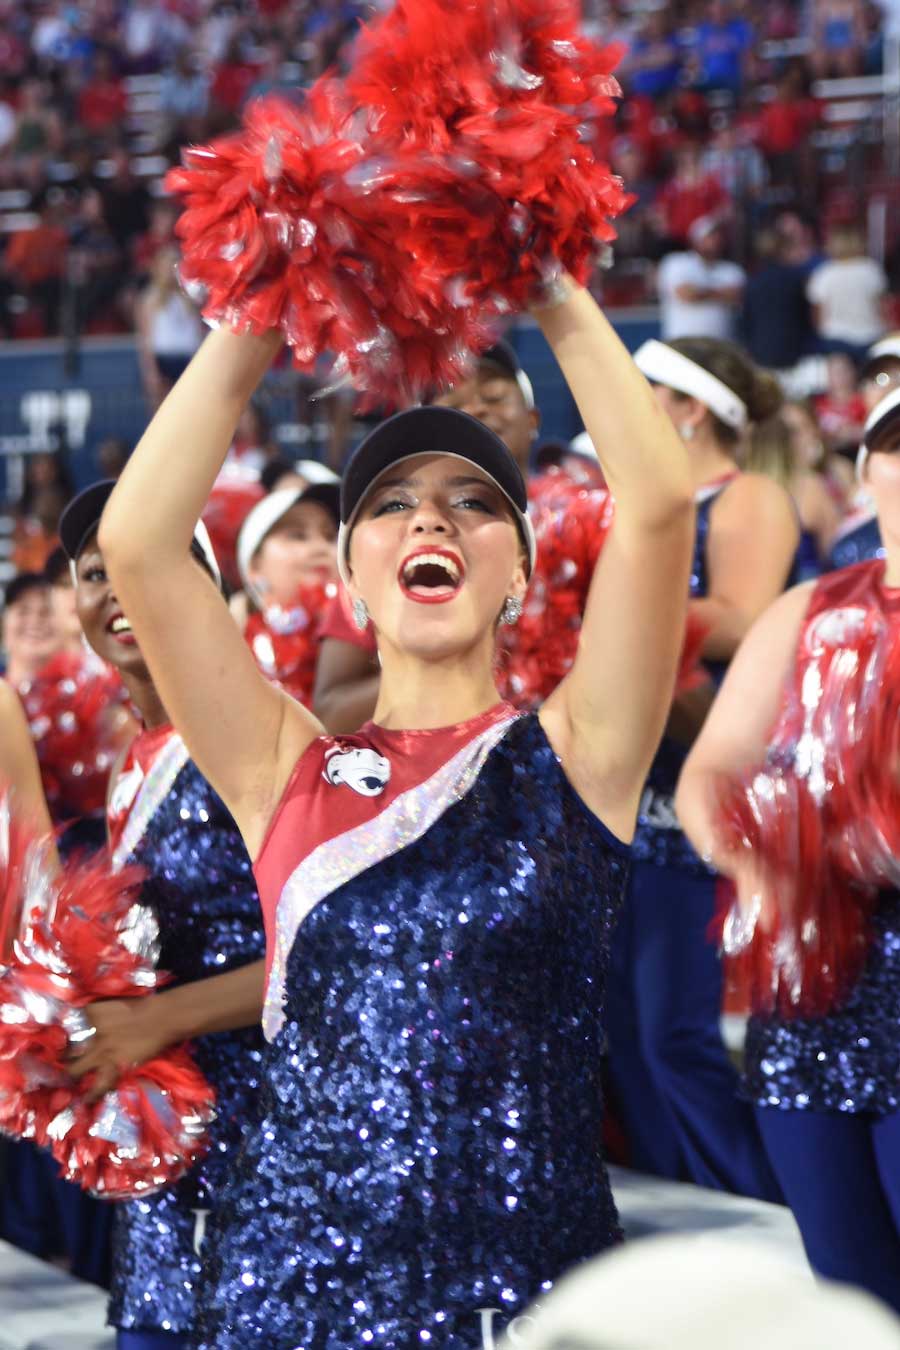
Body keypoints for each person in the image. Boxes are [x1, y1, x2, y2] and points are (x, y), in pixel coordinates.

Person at [94, 275, 694, 1347]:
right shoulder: (285, 769)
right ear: (351, 582)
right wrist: (266, 295)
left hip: (533, 1294)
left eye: (472, 502)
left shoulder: (580, 754)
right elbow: (139, 543)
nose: (430, 514)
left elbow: (656, 504)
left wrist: (548, 278)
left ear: (519, 571)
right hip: (291, 1293)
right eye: (391, 502)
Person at [675, 387, 900, 1315]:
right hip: (809, 992)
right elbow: (710, 772)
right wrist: (754, 860)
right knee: (847, 1288)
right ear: (867, 474)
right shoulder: (811, 606)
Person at [57, 482, 268, 1350]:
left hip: (272, 1139)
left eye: (147, 565)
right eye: (95, 573)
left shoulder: (259, 734)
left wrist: (157, 1018)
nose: (118, 590)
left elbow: (337, 946)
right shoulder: (129, 761)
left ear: (205, 591)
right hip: (170, 1138)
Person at [603, 336, 796, 1199]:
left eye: (648, 394)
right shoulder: (645, 501)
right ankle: (672, 1203)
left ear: (688, 408)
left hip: (700, 761)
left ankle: (751, 1205)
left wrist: (601, 588)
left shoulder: (747, 493)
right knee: (622, 1031)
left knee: (672, 1031)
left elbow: (747, 615)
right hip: (630, 774)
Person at [312, 341, 615, 731]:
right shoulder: (382, 554)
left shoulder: (587, 519)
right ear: (352, 579)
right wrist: (431, 660)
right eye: (454, 401)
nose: (477, 409)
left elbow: (659, 516)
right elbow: (331, 710)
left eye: (494, 396)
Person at [234, 482, 340, 705]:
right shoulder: (225, 655)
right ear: (254, 565)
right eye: (297, 535)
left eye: (330, 536)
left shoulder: (376, 644)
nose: (321, 547)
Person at [744, 413, 840, 577]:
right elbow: (836, 548)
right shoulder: (809, 486)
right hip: (806, 592)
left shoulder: (739, 492)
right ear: (787, 443)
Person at [135, 245, 205, 408]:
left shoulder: (190, 296)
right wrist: (151, 370)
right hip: (163, 359)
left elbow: (197, 329)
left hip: (189, 357)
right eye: (166, 265)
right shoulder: (149, 298)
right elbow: (145, 339)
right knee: (162, 410)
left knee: (189, 408)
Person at [657, 217, 746, 342]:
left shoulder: (732, 270)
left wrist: (700, 292)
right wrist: (720, 293)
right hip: (682, 345)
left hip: (720, 345)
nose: (715, 240)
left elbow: (736, 296)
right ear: (696, 239)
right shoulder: (676, 262)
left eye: (718, 236)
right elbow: (686, 294)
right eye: (710, 236)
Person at [807, 225, 888, 362]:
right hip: (869, 335)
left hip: (835, 337)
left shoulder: (824, 273)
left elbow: (818, 312)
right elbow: (882, 306)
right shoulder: (871, 270)